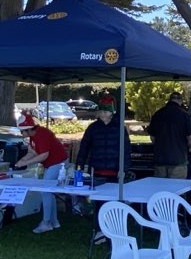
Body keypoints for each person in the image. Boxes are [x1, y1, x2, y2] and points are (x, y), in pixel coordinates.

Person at [75, 100, 132, 243]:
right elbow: (84, 148)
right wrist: (79, 166)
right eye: (101, 112)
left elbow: (126, 150)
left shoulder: (120, 128)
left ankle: (115, 231)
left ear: (112, 113)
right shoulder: (93, 128)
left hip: (114, 171)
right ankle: (100, 231)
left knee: (114, 202)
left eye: (105, 112)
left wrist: (123, 168)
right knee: (99, 203)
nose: (102, 114)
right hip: (97, 170)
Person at [15, 113, 69, 233]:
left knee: (45, 190)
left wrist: (25, 163)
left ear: (28, 129)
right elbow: (32, 152)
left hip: (58, 162)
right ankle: (54, 222)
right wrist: (23, 160)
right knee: (48, 191)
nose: (21, 134)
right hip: (51, 163)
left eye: (21, 131)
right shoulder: (33, 136)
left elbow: (44, 155)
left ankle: (46, 222)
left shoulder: (42, 134)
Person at [147, 91, 191, 179]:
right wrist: (188, 147)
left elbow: (152, 137)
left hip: (160, 161)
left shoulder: (158, 114)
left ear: (169, 100)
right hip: (179, 161)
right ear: (180, 101)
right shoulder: (185, 115)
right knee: (177, 190)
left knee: (160, 191)